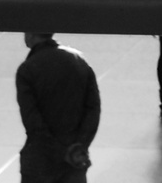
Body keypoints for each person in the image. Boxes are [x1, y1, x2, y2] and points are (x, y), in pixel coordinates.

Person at [15, 32, 100, 183]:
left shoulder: (27, 69)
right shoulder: (80, 62)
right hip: (74, 160)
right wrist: (79, 145)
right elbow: (93, 109)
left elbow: (32, 120)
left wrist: (59, 151)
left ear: (30, 34)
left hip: (40, 161)